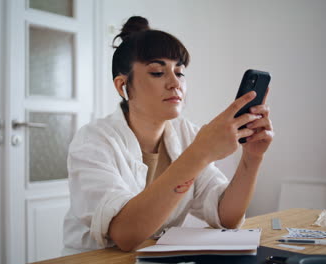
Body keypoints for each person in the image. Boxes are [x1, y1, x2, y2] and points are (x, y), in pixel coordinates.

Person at [62, 16, 274, 255]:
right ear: (123, 86)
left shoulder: (188, 134)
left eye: (180, 72)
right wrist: (200, 153)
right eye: (157, 72)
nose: (175, 83)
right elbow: (125, 234)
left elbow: (227, 218)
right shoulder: (93, 141)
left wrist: (252, 157)